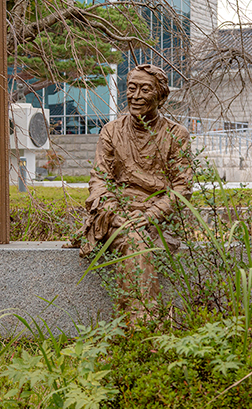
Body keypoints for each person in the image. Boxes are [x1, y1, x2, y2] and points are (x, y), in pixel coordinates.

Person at [78, 64, 192, 318]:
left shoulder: (176, 135)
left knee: (136, 239)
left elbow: (183, 187)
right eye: (131, 88)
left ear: (161, 97)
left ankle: (134, 328)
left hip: (159, 219)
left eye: (145, 89)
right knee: (133, 238)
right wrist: (110, 210)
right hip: (116, 215)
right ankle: (143, 329)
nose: (136, 96)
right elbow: (99, 180)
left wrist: (152, 214)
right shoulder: (111, 131)